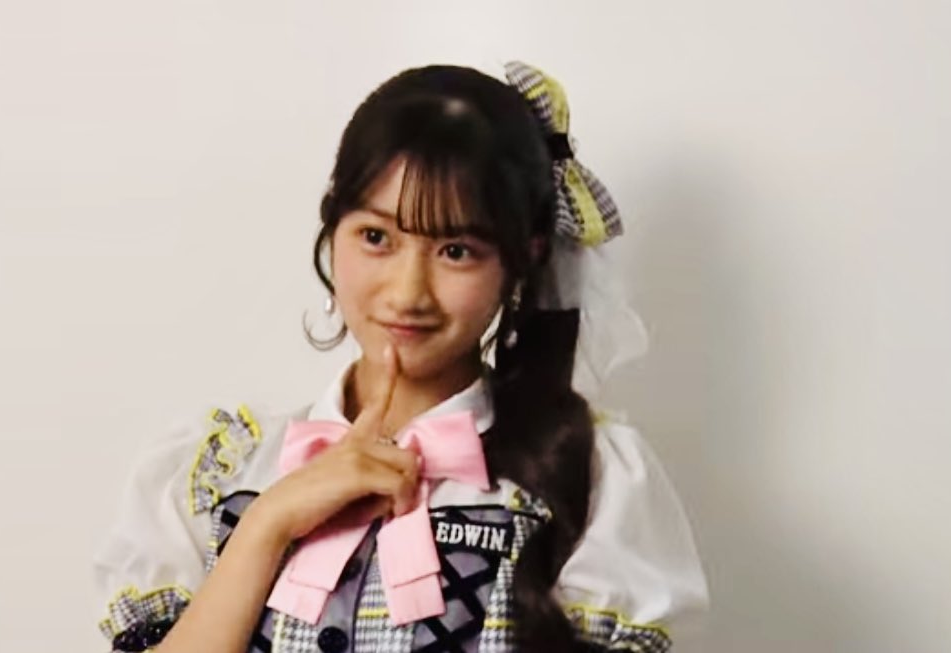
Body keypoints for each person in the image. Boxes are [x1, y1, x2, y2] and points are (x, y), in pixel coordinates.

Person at [93, 61, 709, 653]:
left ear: (522, 258)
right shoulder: (221, 471)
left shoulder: (589, 480)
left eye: (456, 250)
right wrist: (269, 522)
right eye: (377, 237)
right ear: (332, 229)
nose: (408, 292)